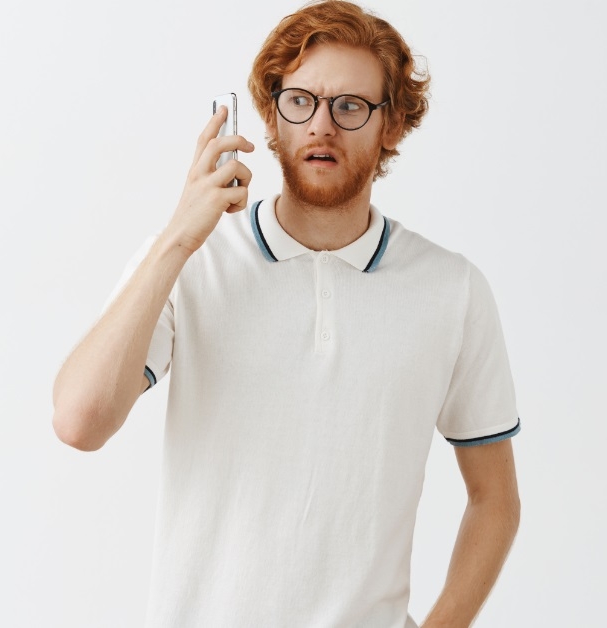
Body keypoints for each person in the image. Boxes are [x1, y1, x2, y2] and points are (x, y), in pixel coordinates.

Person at [50, 1, 521, 626]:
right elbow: (80, 422)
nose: (322, 124)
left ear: (392, 125)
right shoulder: (192, 262)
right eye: (301, 100)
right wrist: (175, 240)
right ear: (272, 114)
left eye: (351, 106)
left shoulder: (452, 290)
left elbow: (495, 500)